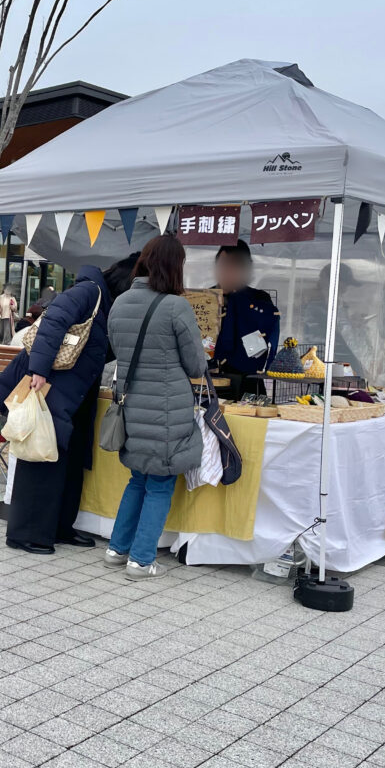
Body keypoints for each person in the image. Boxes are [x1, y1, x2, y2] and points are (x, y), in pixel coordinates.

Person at [0, 261, 128, 555]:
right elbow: (53, 321)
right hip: (48, 384)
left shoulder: (103, 301)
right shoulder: (89, 291)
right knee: (40, 456)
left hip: (74, 390)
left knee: (69, 459)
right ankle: (24, 534)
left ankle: (60, 527)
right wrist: (39, 369)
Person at [104, 236, 207, 580]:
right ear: (174, 267)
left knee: (138, 479)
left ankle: (117, 550)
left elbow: (119, 352)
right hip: (167, 408)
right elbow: (196, 366)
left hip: (131, 403)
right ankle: (142, 560)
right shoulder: (177, 307)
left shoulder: (120, 303)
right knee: (160, 484)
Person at [210, 241, 279, 399]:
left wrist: (239, 305)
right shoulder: (207, 298)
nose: (226, 272)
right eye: (223, 266)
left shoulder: (259, 300)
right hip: (211, 382)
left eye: (233, 266)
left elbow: (259, 349)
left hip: (247, 382)